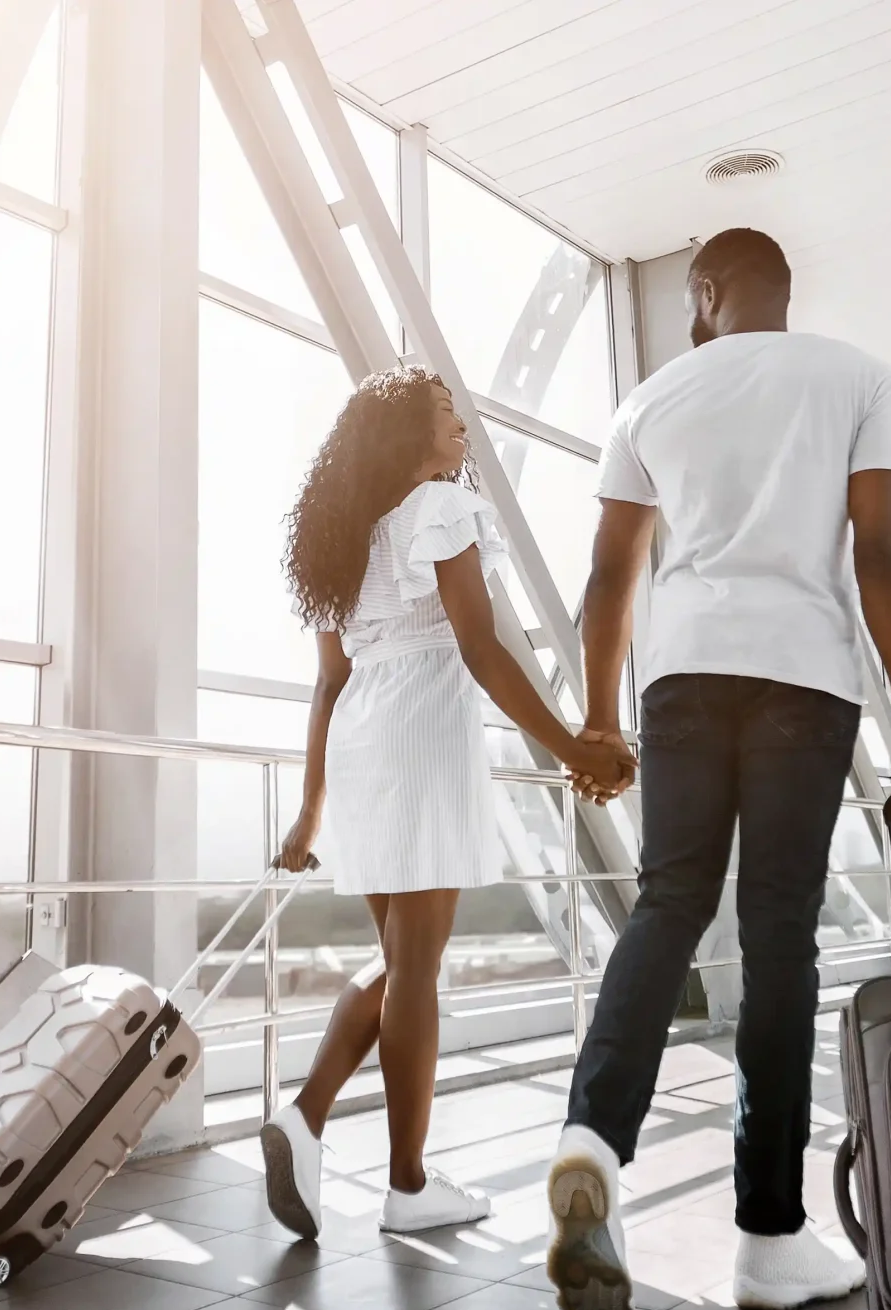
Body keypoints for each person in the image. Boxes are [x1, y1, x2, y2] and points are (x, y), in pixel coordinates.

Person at [542, 228, 891, 1310]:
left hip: (681, 675)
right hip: (801, 675)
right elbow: (881, 553)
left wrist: (597, 716)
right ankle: (770, 1238)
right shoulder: (860, 379)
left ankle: (591, 1135)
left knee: (669, 899)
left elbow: (607, 574)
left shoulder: (650, 399)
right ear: (782, 290)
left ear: (704, 291)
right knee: (780, 932)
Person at [259, 367, 636, 1238]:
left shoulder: (340, 542)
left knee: (400, 961)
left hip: (362, 739)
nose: (460, 426)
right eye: (443, 414)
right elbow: (481, 647)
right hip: (422, 731)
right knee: (416, 968)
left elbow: (327, 684)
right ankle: (408, 1185)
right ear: (405, 437)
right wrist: (573, 743)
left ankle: (305, 1117)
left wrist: (312, 809)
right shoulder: (436, 507)